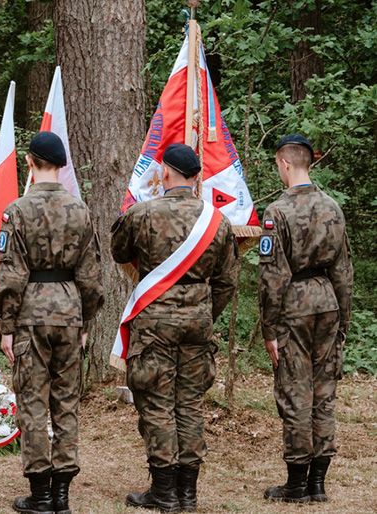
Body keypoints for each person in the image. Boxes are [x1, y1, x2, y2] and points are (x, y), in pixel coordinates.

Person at [111, 143, 238, 513]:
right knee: (191, 403)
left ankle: (164, 491)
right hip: (198, 323)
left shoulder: (143, 213)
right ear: (197, 176)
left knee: (156, 402)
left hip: (155, 323)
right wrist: (202, 311)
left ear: (165, 172)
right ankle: (188, 493)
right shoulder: (218, 221)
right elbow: (228, 280)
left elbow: (120, 252)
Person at [0, 131, 105, 514]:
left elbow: (10, 277)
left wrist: (7, 327)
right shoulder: (81, 210)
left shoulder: (17, 211)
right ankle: (62, 494)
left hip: (30, 316)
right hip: (70, 312)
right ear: (61, 166)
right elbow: (91, 275)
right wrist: (86, 319)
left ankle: (41, 494)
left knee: (32, 402)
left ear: (29, 162)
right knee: (67, 402)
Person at [259, 134, 353, 503]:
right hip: (327, 302)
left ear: (284, 163)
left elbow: (272, 278)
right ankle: (318, 483)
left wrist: (269, 329)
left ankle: (297, 484)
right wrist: (343, 321)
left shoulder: (277, 212)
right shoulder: (333, 207)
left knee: (297, 392)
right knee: (324, 392)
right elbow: (344, 270)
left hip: (294, 306)